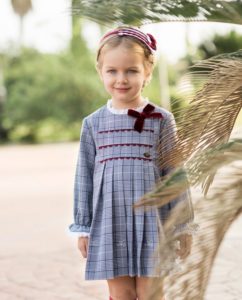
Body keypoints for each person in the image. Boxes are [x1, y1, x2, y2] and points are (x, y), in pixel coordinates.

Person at [68, 26, 195, 300]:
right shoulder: (93, 124)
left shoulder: (161, 120)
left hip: (153, 222)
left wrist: (182, 225)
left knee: (150, 293)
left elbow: (175, 176)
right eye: (112, 71)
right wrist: (83, 227)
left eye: (132, 71)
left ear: (147, 72)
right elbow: (84, 178)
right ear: (100, 72)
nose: (121, 79)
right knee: (122, 293)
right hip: (110, 222)